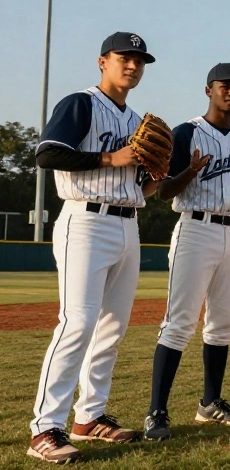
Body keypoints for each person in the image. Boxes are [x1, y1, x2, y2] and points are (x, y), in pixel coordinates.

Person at [28, 32, 157, 463]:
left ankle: (90, 417)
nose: (133, 65)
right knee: (77, 323)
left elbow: (145, 185)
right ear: (103, 61)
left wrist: (170, 175)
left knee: (112, 328)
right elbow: (47, 154)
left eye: (140, 60)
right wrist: (109, 159)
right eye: (125, 57)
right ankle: (44, 427)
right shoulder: (80, 103)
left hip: (128, 224)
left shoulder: (138, 120)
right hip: (84, 221)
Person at [143, 63, 230, 441]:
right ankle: (156, 413)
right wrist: (190, 172)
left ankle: (210, 402)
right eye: (225, 86)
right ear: (208, 90)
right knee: (179, 323)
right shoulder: (185, 133)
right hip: (195, 230)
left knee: (223, 324)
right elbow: (162, 193)